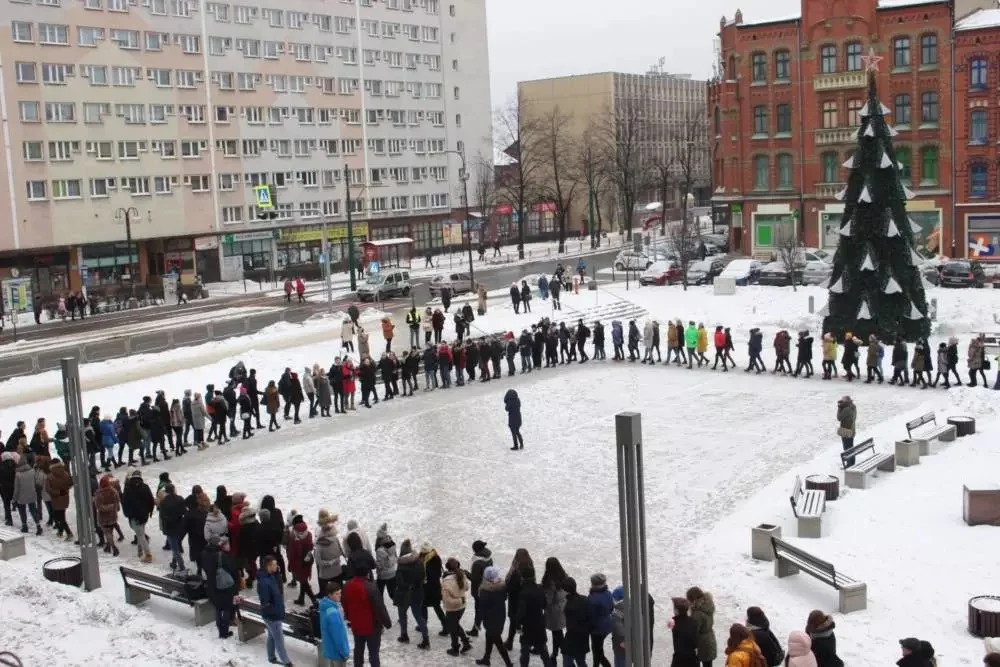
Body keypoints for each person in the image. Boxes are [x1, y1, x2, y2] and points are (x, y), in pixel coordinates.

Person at [343, 563, 393, 667]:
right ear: (367, 574)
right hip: (372, 626)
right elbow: (379, 608)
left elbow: (345, 603)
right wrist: (387, 623)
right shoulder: (371, 587)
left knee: (358, 650)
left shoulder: (347, 585)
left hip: (356, 624)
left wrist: (348, 617)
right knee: (374, 653)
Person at [395, 538, 431, 649]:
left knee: (402, 614)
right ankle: (426, 639)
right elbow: (422, 576)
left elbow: (400, 583)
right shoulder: (419, 562)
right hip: (418, 592)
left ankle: (404, 635)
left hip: (405, 594)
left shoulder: (401, 566)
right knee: (418, 615)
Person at [257, 555, 293, 666]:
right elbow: (266, 603)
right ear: (268, 566)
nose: (277, 566)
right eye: (274, 564)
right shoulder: (264, 582)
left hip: (272, 614)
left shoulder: (270, 576)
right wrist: (275, 613)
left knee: (272, 636)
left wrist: (277, 573)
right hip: (272, 616)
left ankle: (271, 657)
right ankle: (286, 662)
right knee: (279, 640)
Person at [202, 535, 238, 639]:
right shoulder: (221, 555)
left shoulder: (204, 554)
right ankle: (224, 631)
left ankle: (219, 629)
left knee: (217, 608)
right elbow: (231, 570)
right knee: (226, 608)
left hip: (212, 585)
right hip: (224, 585)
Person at [476, 565, 512, 666]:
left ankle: (508, 663)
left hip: (490, 619)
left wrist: (477, 623)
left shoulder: (484, 590)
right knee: (489, 637)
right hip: (500, 616)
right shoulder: (502, 586)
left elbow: (481, 609)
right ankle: (486, 659)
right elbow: (505, 598)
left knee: (498, 642)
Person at [516, 564, 551, 666]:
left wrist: (518, 625)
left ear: (523, 577)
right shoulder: (540, 588)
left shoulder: (523, 593)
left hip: (527, 626)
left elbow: (521, 612)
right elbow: (545, 605)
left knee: (525, 651)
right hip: (539, 624)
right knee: (544, 651)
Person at [442, 557, 473, 656]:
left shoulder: (446, 581)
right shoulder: (462, 575)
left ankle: (455, 648)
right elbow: (467, 588)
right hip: (462, 606)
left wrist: (458, 600)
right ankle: (465, 643)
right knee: (455, 624)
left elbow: (448, 601)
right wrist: (461, 598)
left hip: (453, 608)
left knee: (453, 627)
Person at [121, 469, 154, 561]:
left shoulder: (128, 488)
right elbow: (151, 500)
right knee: (141, 533)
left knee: (141, 535)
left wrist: (127, 514)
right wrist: (149, 511)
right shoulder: (145, 487)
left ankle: (148, 555)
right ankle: (140, 551)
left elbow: (124, 502)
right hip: (144, 515)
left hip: (134, 516)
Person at [320, 581, 352, 667]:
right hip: (337, 653)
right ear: (330, 595)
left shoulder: (325, 606)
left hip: (330, 649)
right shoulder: (333, 613)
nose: (340, 595)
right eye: (336, 594)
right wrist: (344, 652)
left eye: (340, 593)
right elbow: (338, 636)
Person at [588, 573, 614, 667]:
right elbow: (611, 608)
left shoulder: (593, 598)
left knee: (597, 651)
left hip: (597, 629)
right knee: (598, 649)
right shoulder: (608, 593)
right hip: (607, 625)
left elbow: (591, 616)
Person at [687, 587, 717, 667]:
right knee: (708, 664)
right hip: (709, 639)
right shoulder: (707, 606)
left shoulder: (697, 613)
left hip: (702, 643)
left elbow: (694, 630)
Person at [44, 459, 73, 540]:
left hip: (56, 499)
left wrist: (57, 492)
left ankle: (69, 533)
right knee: (62, 514)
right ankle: (60, 532)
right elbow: (70, 484)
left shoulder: (50, 476)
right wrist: (64, 491)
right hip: (65, 497)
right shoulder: (66, 473)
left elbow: (48, 489)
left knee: (59, 517)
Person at [12, 456, 41, 535]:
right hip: (31, 494)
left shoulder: (18, 474)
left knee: (22, 511)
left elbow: (16, 488)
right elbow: (35, 482)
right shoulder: (32, 471)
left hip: (21, 496)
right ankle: (38, 526)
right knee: (33, 510)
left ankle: (24, 526)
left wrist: (14, 499)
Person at [669, 597, 699, 667]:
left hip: (679, 659)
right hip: (693, 659)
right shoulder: (694, 622)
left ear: (677, 610)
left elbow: (670, 624)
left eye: (674, 608)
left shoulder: (673, 622)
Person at [836, 396, 856, 466]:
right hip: (852, 430)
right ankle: (852, 463)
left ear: (846, 401)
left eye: (843, 400)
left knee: (846, 448)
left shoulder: (847, 409)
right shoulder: (853, 407)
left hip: (846, 431)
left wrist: (839, 407)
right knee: (851, 447)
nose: (841, 401)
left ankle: (849, 464)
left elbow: (839, 417)